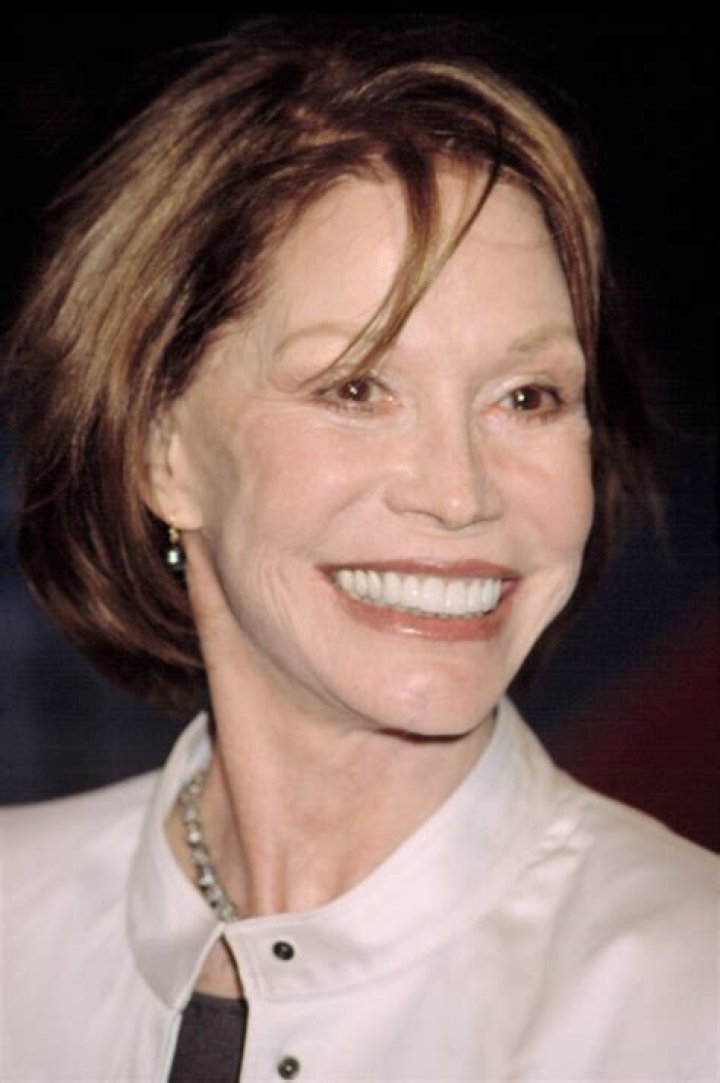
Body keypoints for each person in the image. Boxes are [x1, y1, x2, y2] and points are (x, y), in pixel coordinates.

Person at [1, 20, 716, 1082]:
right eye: (357, 388)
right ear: (161, 450)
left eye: (527, 397)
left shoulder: (689, 992)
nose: (460, 493)